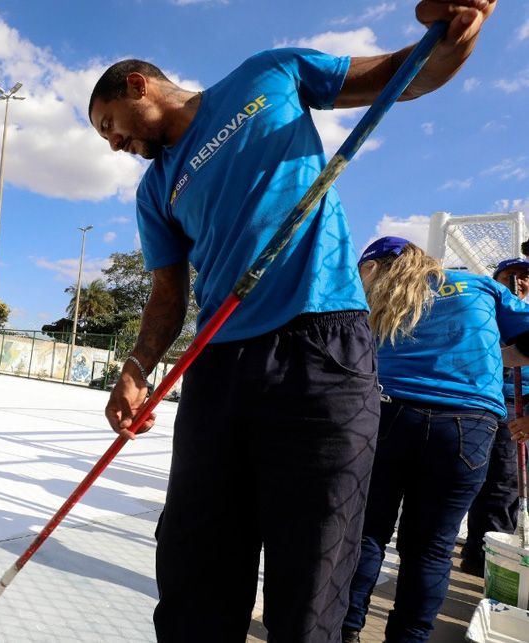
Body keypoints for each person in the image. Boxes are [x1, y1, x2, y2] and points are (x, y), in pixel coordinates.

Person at [88, 2, 496, 640]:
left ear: (139, 85)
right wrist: (137, 367)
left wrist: (459, 33)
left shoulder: (267, 76)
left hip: (321, 354)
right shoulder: (154, 189)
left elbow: (405, 73)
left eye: (110, 124)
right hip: (217, 368)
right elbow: (169, 292)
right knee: (195, 571)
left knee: (311, 584)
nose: (114, 144)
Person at [343, 238, 529, 642]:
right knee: (430, 547)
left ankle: (346, 630)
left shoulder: (380, 298)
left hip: (388, 414)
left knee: (367, 532)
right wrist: (505, 355)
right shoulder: (478, 285)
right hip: (469, 424)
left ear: (374, 265)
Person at [460, 257, 529, 575]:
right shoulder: (483, 313)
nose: (518, 281)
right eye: (510, 275)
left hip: (521, 404)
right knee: (483, 481)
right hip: (485, 401)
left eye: (525, 276)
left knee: (507, 484)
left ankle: (488, 557)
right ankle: (477, 556)